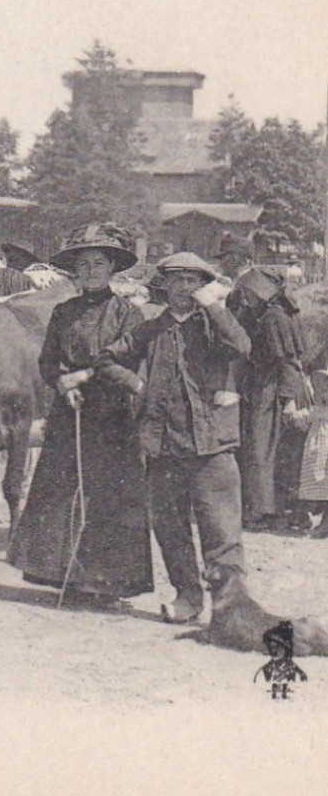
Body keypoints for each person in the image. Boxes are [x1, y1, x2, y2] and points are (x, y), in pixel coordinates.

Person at [99, 251, 251, 623]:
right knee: (170, 528)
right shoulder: (150, 328)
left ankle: (229, 606)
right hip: (162, 446)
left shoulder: (214, 324)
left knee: (221, 531)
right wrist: (136, 383)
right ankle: (187, 597)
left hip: (211, 446)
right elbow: (106, 359)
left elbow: (242, 347)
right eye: (176, 280)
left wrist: (214, 307)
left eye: (192, 281)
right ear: (163, 286)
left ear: (202, 286)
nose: (184, 288)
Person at [7, 223, 153, 606]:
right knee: (62, 493)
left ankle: (106, 584)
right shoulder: (63, 312)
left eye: (99, 263)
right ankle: (64, 577)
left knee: (108, 497)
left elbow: (126, 359)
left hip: (111, 418)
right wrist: (62, 383)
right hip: (68, 415)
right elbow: (48, 360)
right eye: (84, 264)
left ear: (112, 268)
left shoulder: (127, 314)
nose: (90, 270)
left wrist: (84, 376)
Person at [230, 267, 313, 532]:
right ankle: (264, 507)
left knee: (262, 448)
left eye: (248, 292)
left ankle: (262, 510)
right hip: (264, 387)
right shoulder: (269, 313)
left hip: (272, 390)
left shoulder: (272, 317)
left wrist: (289, 399)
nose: (245, 297)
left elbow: (288, 361)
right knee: (266, 448)